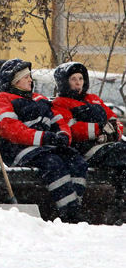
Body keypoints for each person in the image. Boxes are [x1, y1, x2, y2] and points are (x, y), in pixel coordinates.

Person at [0, 59, 89, 223]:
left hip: (45, 147)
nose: (30, 80)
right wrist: (44, 137)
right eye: (26, 77)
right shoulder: (3, 99)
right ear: (15, 81)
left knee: (77, 162)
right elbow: (10, 129)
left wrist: (63, 134)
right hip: (19, 149)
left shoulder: (39, 98)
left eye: (30, 76)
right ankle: (70, 215)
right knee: (53, 164)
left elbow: (58, 121)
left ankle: (73, 206)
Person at [52, 62, 125, 225]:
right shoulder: (60, 103)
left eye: (81, 78)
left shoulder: (94, 100)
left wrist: (113, 133)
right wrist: (99, 130)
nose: (78, 83)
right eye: (73, 79)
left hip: (106, 145)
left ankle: (121, 202)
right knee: (120, 154)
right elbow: (71, 128)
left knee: (122, 161)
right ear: (64, 82)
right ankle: (120, 204)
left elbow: (114, 120)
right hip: (84, 149)